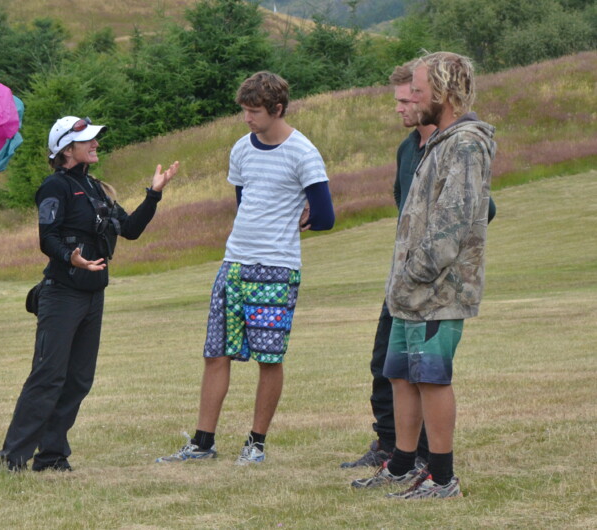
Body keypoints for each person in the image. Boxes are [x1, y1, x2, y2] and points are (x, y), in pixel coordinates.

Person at [156, 71, 334, 466]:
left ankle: (256, 443)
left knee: (268, 358)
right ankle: (203, 442)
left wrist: (303, 215)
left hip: (276, 268)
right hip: (233, 264)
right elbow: (244, 201)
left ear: (278, 109)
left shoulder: (303, 152)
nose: (247, 118)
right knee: (215, 354)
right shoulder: (241, 148)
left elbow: (325, 216)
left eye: (254, 111)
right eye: (245, 110)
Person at [0, 116, 179, 472]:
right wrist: (71, 258)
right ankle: (13, 458)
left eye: (95, 139)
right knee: (48, 376)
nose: (96, 144)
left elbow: (130, 230)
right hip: (62, 294)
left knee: (79, 379)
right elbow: (46, 239)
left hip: (94, 294)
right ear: (67, 149)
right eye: (89, 141)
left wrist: (154, 194)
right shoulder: (55, 187)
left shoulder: (96, 187)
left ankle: (51, 457)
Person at [351, 52, 496, 499]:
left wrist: (415, 273)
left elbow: (453, 224)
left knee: (432, 377)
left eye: (416, 89)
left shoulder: (466, 144)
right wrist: (401, 281)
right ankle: (399, 465)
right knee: (400, 373)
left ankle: (442, 476)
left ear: (443, 91)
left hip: (437, 290)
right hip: (409, 291)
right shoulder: (435, 142)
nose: (410, 99)